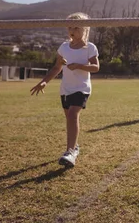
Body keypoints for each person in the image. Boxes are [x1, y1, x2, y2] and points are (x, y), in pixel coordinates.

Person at [30, 12, 100, 167]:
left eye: (76, 27)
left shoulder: (90, 48)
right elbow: (57, 67)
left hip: (82, 88)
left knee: (73, 114)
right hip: (65, 89)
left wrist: (80, 66)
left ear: (85, 29)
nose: (72, 30)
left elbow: (96, 67)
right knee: (69, 118)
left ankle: (69, 152)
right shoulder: (63, 47)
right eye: (69, 27)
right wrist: (44, 82)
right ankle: (74, 147)